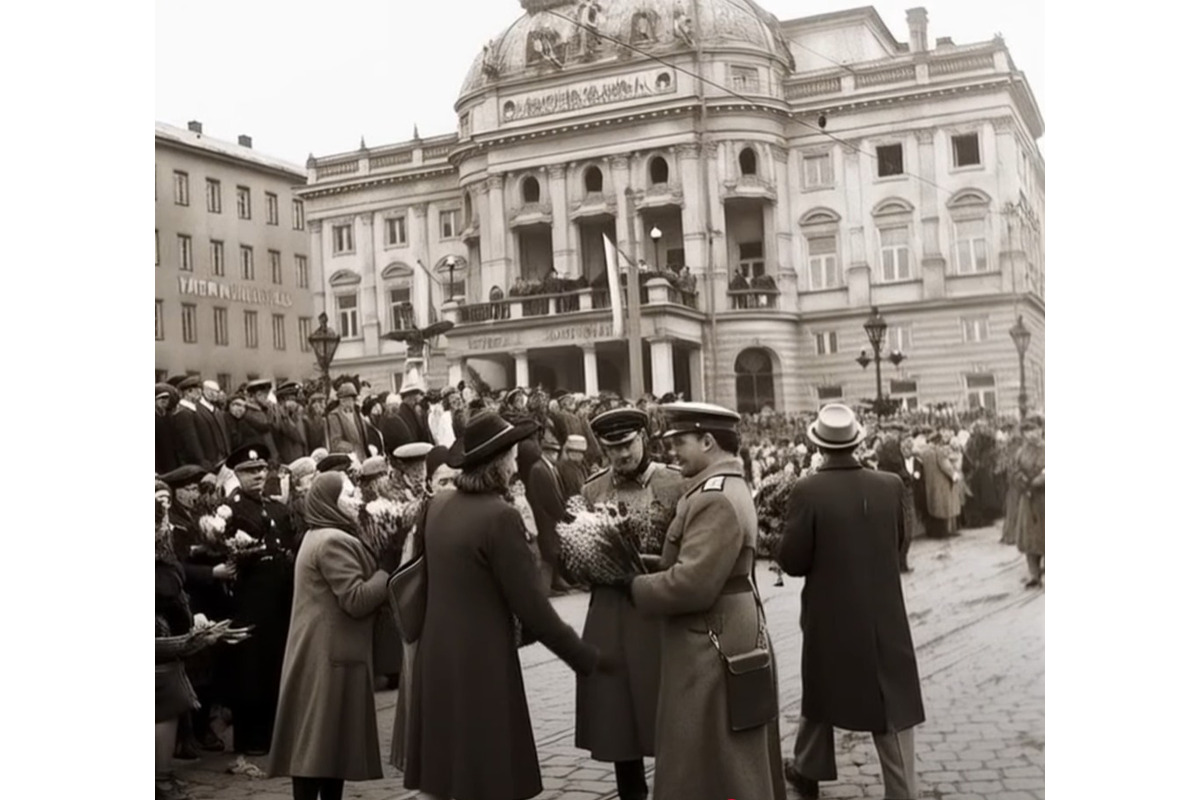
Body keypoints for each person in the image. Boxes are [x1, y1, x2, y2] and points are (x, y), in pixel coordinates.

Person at [403, 412, 616, 800]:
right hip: (480, 661)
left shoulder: (439, 507)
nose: (518, 462)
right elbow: (532, 605)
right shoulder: (500, 517)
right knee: (488, 775)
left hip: (437, 658)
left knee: (449, 774)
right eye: (514, 454)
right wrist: (582, 656)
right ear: (499, 461)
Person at [617, 402, 786, 800]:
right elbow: (703, 563)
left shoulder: (714, 497)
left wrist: (630, 586)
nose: (672, 451)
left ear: (708, 442)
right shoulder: (726, 487)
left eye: (680, 442)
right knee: (720, 758)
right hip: (724, 630)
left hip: (709, 641)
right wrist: (647, 564)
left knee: (707, 763)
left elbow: (694, 584)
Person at [777, 404, 925, 800]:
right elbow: (899, 542)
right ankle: (902, 790)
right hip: (883, 611)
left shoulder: (806, 489)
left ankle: (809, 770)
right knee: (889, 699)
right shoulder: (890, 484)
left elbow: (792, 562)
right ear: (858, 441)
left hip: (828, 614)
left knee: (821, 685)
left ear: (817, 444)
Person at [576, 409, 685, 800]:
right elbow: (578, 559)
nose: (620, 455)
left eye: (626, 445)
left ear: (644, 437)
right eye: (611, 449)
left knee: (671, 710)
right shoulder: (592, 490)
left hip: (660, 610)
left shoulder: (675, 483)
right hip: (612, 613)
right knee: (618, 713)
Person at [268, 472, 396, 800]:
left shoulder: (318, 535)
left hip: (321, 654)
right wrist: (387, 571)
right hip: (330, 658)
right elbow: (355, 599)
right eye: (348, 496)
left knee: (325, 747)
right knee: (321, 747)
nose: (357, 501)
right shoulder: (332, 540)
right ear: (330, 504)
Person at [221, 443, 298, 756]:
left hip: (278, 594)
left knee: (276, 661)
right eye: (250, 471)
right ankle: (251, 738)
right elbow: (220, 550)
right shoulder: (230, 509)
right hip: (249, 595)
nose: (257, 476)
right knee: (251, 667)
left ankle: (277, 733)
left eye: (261, 470)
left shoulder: (277, 507)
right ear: (238, 475)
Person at [1013, 417, 1046, 587]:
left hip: (1044, 499)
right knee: (1029, 539)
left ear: (1041, 429)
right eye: (1027, 431)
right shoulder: (1021, 452)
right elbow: (1016, 471)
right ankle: (1034, 575)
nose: (1031, 434)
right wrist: (1022, 482)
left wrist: (1038, 481)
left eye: (1034, 430)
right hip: (1028, 500)